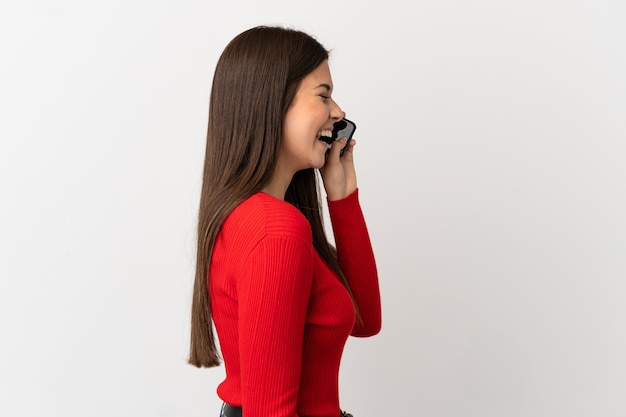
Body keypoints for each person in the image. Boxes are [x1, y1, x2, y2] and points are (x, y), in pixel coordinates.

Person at [188, 25, 382, 417]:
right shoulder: (276, 231)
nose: (339, 113)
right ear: (272, 103)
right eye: (323, 96)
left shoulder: (250, 216)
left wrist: (342, 198)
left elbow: (364, 319)